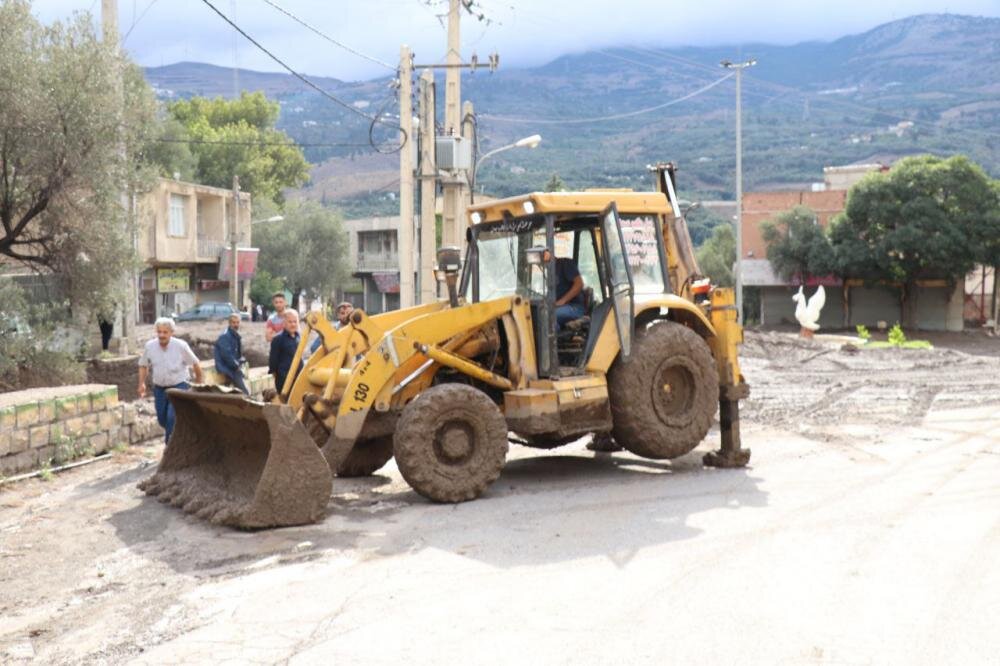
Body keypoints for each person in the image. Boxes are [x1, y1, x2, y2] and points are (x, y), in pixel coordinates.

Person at [138, 317, 204, 444]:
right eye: (159, 332)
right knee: (162, 419)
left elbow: (195, 364)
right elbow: (143, 365)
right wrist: (141, 384)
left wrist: (199, 384)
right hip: (160, 389)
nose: (161, 335)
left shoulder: (181, 346)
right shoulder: (150, 346)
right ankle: (181, 435)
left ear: (171, 333)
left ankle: (170, 448)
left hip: (180, 386)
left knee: (171, 418)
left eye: (165, 332)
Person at [544, 249, 585, 330]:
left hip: (573, 307)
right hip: (557, 308)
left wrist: (563, 301)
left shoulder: (565, 263)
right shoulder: (550, 272)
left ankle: (553, 336)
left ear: (547, 254)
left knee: (548, 316)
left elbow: (579, 284)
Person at [213, 313, 248, 394]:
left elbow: (236, 354)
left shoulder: (234, 335)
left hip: (231, 367)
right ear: (229, 323)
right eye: (233, 322)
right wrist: (236, 366)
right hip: (227, 368)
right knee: (244, 393)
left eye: (237, 322)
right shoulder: (225, 336)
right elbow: (227, 355)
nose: (236, 325)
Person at [269, 308, 301, 393]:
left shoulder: (298, 338)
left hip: (298, 378)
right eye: (290, 322)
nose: (293, 324)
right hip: (284, 379)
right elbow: (273, 361)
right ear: (284, 323)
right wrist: (277, 376)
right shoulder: (278, 339)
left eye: (295, 322)